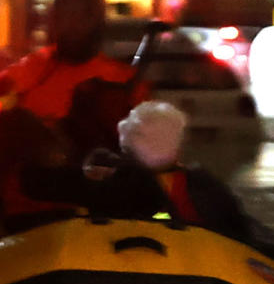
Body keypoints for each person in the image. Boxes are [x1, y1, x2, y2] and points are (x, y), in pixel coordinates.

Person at [0, 0, 138, 236]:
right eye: (63, 17)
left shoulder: (122, 80)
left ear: (96, 22)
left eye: (79, 17)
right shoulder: (26, 73)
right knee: (12, 122)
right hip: (30, 204)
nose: (71, 26)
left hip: (95, 193)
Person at [80, 99, 262, 245]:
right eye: (144, 137)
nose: (156, 143)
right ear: (128, 141)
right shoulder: (108, 179)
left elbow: (240, 234)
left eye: (164, 136)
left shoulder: (204, 186)